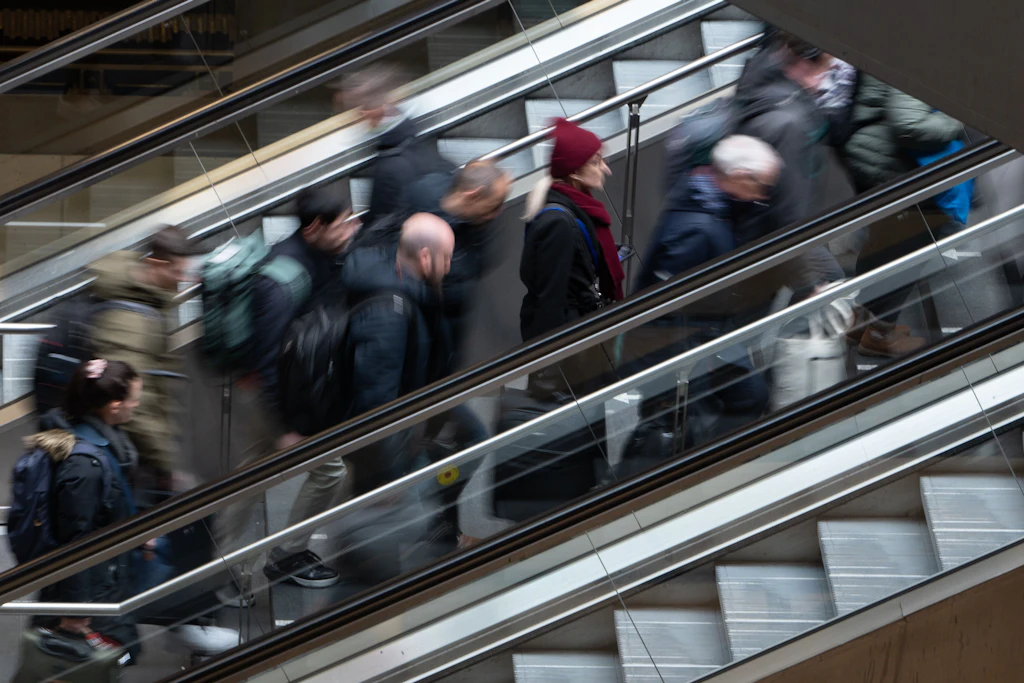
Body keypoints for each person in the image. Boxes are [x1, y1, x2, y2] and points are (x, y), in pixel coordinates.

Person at [263, 213, 455, 587]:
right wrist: (384, 473)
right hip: (382, 441)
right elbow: (375, 398)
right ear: (428, 258)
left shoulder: (397, 278)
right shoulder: (389, 311)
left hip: (397, 428)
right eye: (447, 258)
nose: (450, 267)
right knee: (379, 535)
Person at [28, 360, 236, 668]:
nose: (137, 405)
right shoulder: (85, 465)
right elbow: (77, 542)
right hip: (92, 591)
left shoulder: (106, 439)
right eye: (133, 399)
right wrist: (75, 611)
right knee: (100, 660)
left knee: (111, 656)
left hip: (108, 574)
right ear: (113, 406)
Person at [214, 187, 360, 599]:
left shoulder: (316, 255)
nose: (352, 226)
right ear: (315, 228)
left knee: (253, 476)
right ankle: (255, 560)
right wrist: (283, 425)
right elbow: (266, 360)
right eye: (344, 221)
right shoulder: (280, 281)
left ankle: (237, 564)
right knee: (315, 471)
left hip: (296, 391)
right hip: (276, 400)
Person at [635, 135, 779, 443]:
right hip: (684, 345)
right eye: (764, 188)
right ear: (740, 178)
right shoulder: (698, 226)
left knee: (748, 397)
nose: (765, 198)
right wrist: (674, 366)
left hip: (707, 335)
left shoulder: (712, 205)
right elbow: (664, 304)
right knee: (678, 420)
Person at [841, 73, 965, 357]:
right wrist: (956, 121)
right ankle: (879, 334)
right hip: (893, 165)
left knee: (883, 245)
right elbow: (909, 125)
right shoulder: (924, 59)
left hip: (873, 155)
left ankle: (861, 323)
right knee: (907, 253)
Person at [731, 30, 844, 297]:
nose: (823, 82)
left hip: (765, 235)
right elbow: (787, 217)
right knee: (833, 284)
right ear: (802, 64)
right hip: (780, 239)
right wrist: (809, 281)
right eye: (822, 71)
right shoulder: (788, 125)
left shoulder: (764, 73)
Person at [88, 226, 191, 493]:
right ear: (155, 264)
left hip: (136, 448)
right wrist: (166, 463)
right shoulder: (131, 322)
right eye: (176, 271)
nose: (182, 280)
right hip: (131, 451)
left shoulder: (147, 302)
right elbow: (133, 404)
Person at [520, 118, 623, 342]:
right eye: (596, 162)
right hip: (570, 337)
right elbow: (551, 300)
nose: (606, 168)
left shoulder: (578, 206)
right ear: (575, 172)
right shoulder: (558, 224)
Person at [341, 63, 454, 225]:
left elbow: (384, 222)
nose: (354, 116)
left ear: (367, 112)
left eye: (356, 109)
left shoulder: (390, 166)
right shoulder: (413, 135)